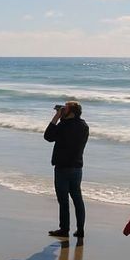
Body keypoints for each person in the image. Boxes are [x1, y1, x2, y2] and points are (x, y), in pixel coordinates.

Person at [43, 101, 89, 239]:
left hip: (63, 167)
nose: (63, 110)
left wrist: (57, 116)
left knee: (63, 200)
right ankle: (80, 230)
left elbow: (48, 136)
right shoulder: (84, 126)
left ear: (72, 112)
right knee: (77, 199)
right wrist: (63, 116)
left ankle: (64, 229)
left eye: (65, 108)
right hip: (77, 167)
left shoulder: (63, 126)